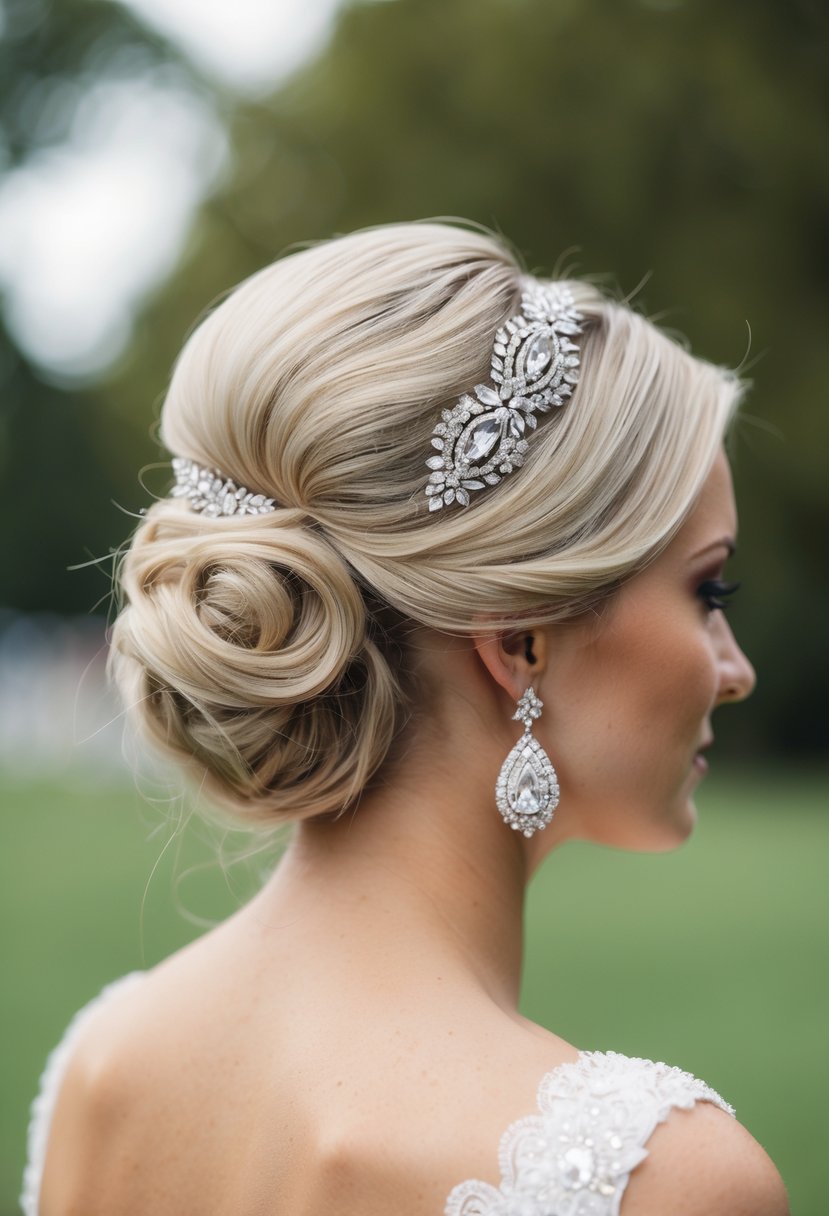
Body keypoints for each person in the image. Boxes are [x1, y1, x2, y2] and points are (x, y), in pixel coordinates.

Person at [22, 222, 789, 1215]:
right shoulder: (660, 1181)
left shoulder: (104, 1068)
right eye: (707, 592)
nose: (735, 671)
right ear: (518, 640)